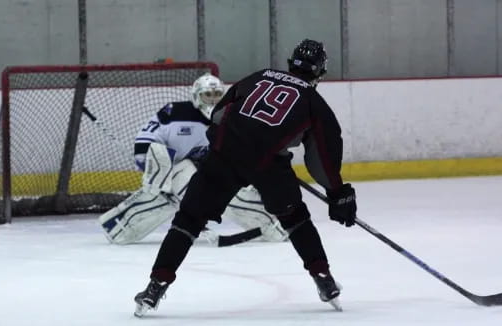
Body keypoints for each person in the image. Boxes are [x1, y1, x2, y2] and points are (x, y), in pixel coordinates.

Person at [133, 39, 357, 317]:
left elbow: (219, 114)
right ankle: (324, 278)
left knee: (189, 219)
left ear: (290, 63)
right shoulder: (314, 103)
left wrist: (219, 139)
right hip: (269, 166)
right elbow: (321, 157)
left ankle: (156, 286)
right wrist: (337, 193)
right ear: (321, 70)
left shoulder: (260, 76)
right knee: (294, 217)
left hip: (224, 157)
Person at [98, 73, 288, 245]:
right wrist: (153, 171)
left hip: (209, 173)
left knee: (231, 193)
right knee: (183, 170)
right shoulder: (175, 113)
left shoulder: (233, 118)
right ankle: (125, 224)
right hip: (173, 174)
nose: (213, 101)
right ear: (197, 96)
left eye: (217, 95)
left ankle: (273, 223)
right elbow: (147, 143)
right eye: (208, 95)